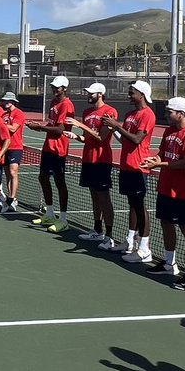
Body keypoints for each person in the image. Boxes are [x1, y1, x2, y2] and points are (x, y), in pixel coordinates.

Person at [141, 97, 185, 291]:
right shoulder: (169, 131)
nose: (166, 115)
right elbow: (162, 153)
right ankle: (169, 264)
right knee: (166, 224)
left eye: (169, 112)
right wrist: (154, 159)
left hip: (182, 190)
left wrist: (158, 164)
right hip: (165, 187)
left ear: (180, 114)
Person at [101, 81, 156, 262]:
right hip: (126, 165)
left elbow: (137, 140)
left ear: (141, 94)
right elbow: (125, 140)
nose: (129, 95)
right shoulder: (131, 114)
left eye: (131, 93)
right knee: (132, 204)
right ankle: (130, 241)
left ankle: (144, 248)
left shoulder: (147, 114)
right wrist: (114, 129)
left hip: (138, 167)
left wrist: (116, 126)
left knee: (140, 206)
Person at [67, 82, 118, 250]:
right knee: (94, 196)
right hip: (88, 159)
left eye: (91, 93)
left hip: (101, 160)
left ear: (100, 94)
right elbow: (86, 138)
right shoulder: (87, 112)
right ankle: (97, 230)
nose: (88, 95)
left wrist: (80, 125)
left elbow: (101, 138)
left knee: (104, 197)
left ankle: (109, 236)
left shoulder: (109, 112)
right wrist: (75, 136)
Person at [28, 76, 75, 232]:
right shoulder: (54, 103)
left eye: (58, 87)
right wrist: (38, 126)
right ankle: (49, 214)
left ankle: (63, 219)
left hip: (59, 149)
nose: (54, 89)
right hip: (48, 147)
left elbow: (60, 130)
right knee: (42, 177)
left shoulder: (67, 105)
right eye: (53, 87)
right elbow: (51, 124)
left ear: (64, 88)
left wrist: (39, 128)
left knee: (60, 182)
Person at [1, 92, 27, 212]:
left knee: (13, 172)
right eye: (4, 100)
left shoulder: (19, 113)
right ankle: (11, 197)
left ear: (13, 102)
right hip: (5, 147)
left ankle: (12, 198)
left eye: (8, 101)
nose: (6, 102)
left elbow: (13, 128)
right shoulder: (4, 115)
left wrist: (0, 124)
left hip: (15, 147)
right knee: (7, 174)